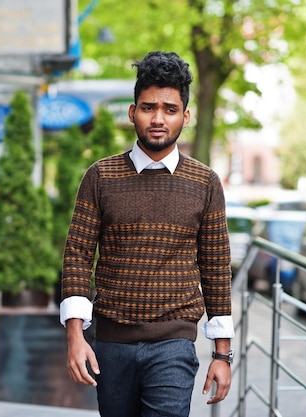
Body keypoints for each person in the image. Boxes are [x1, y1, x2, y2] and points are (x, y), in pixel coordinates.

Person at [59, 50, 234, 417]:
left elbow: (216, 268)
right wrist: (75, 336)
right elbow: (77, 255)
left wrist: (222, 354)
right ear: (132, 112)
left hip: (173, 344)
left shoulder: (205, 183)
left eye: (170, 109)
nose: (158, 119)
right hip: (110, 344)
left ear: (185, 116)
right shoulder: (100, 177)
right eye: (148, 107)